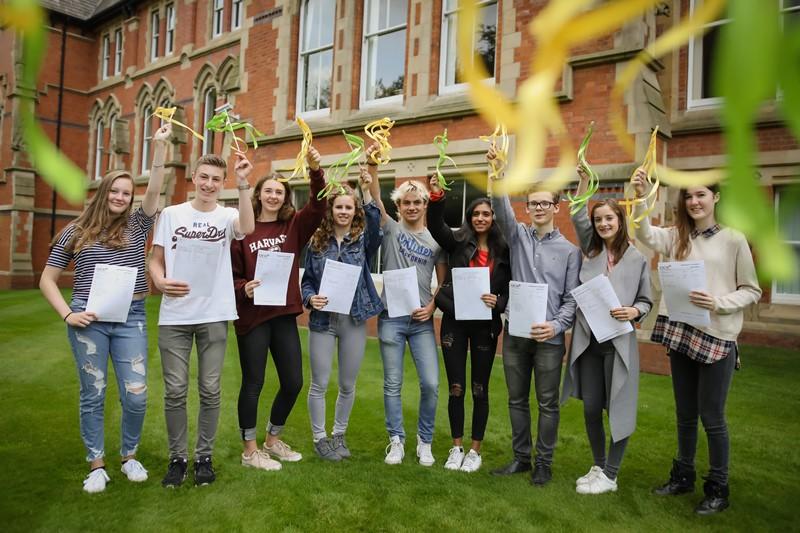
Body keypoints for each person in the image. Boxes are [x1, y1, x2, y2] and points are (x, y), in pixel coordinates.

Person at [39, 123, 172, 493]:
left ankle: (129, 456)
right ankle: (96, 464)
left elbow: (157, 187)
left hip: (131, 317)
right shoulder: (77, 230)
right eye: (114, 190)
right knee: (93, 393)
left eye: (127, 193)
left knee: (136, 393)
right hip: (89, 319)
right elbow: (47, 280)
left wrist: (159, 149)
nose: (120, 197)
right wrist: (68, 313)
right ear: (103, 192)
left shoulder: (138, 224)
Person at [631, 170, 761, 514]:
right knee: (685, 414)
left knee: (713, 416)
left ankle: (718, 488)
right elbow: (643, 232)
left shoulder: (734, 239)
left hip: (718, 335)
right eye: (688, 197)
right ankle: (682, 476)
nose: (694, 202)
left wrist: (718, 303)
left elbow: (752, 289)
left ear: (715, 198)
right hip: (681, 329)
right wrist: (642, 195)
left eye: (701, 195)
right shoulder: (676, 237)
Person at [150, 150, 255, 487]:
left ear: (222, 183)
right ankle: (178, 458)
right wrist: (160, 280)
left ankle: (203, 458)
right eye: (204, 177)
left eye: (216, 179)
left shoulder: (227, 216)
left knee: (210, 389)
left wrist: (243, 185)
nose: (209, 184)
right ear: (194, 177)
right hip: (175, 315)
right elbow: (155, 259)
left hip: (213, 313)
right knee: (175, 390)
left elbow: (248, 226)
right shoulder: (170, 214)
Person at [488, 146, 581, 486]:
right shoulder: (518, 236)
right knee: (515, 399)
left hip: (548, 338)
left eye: (546, 203)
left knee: (547, 403)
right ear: (527, 208)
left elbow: (571, 299)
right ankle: (520, 458)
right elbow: (501, 209)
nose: (539, 208)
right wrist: (497, 175)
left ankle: (544, 462)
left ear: (556, 207)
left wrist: (556, 326)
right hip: (515, 333)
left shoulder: (570, 251)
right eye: (533, 204)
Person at [230, 147, 325, 471]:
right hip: (252, 318)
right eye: (268, 190)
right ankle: (250, 451)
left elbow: (318, 204)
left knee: (293, 381)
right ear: (258, 195)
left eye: (279, 192)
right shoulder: (242, 228)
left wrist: (314, 171)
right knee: (253, 382)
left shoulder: (293, 227)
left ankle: (272, 439)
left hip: (283, 313)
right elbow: (230, 276)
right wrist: (244, 287)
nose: (273, 196)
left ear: (285, 198)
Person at [561, 166, 652, 494]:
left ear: (619, 221)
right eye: (598, 219)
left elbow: (646, 300)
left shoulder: (637, 258)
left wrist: (634, 311)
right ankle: (599, 465)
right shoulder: (592, 250)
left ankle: (611, 475)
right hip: (589, 343)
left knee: (619, 407)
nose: (602, 224)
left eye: (609, 219)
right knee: (589, 407)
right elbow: (576, 215)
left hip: (618, 344)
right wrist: (584, 183)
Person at [365, 156, 447, 467]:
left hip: (421, 320)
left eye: (417, 202)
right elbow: (374, 197)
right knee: (392, 383)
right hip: (391, 318)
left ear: (426, 205)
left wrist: (433, 306)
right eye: (407, 203)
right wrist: (373, 168)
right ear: (400, 206)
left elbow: (443, 279)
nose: (412, 207)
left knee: (430, 383)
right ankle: (396, 440)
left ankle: (424, 442)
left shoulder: (436, 239)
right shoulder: (391, 229)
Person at [426, 174, 511, 473]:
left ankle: (475, 450)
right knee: (457, 387)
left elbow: (510, 286)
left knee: (479, 388)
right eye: (475, 214)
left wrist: (499, 302)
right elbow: (436, 226)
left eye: (486, 213)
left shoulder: (505, 250)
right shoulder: (457, 241)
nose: (480, 218)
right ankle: (456, 446)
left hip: (485, 325)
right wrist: (437, 196)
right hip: (455, 322)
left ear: (493, 218)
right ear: (469, 218)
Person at [301, 168, 383, 460]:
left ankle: (339, 435)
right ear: (331, 209)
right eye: (339, 207)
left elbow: (376, 221)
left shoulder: (363, 240)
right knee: (319, 383)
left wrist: (367, 188)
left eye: (349, 207)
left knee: (348, 383)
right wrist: (310, 297)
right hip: (323, 321)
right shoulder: (317, 242)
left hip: (353, 319)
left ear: (355, 210)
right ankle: (319, 438)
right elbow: (307, 280)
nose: (344, 212)